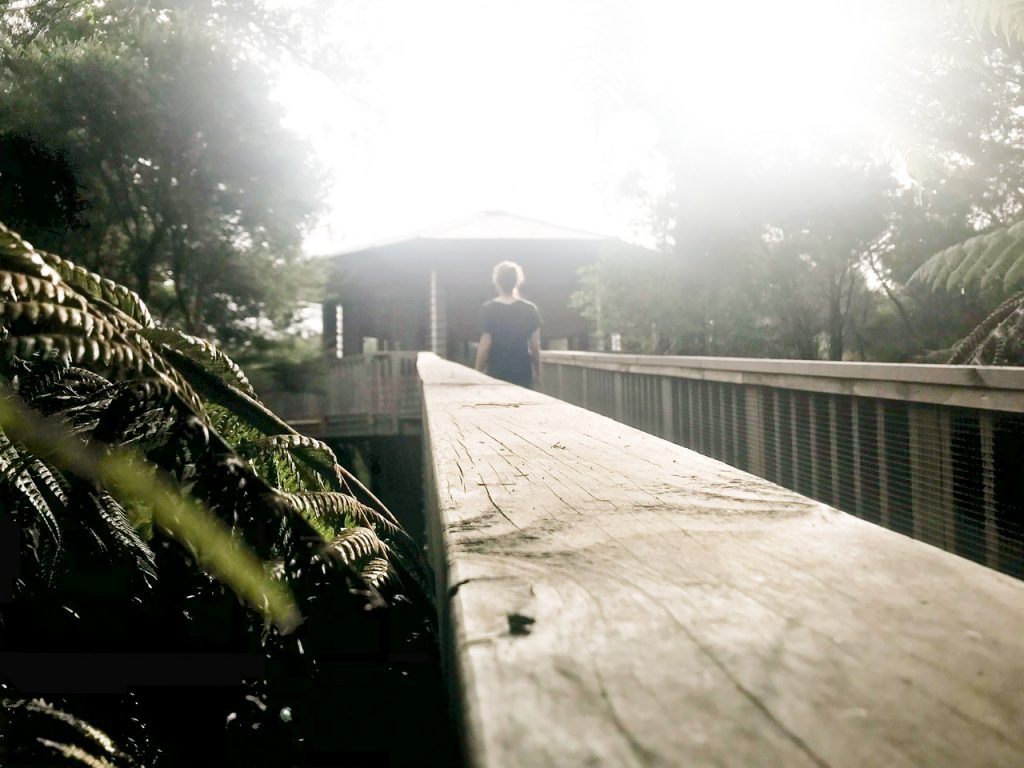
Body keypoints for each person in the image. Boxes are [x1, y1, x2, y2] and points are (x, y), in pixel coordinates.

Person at [474, 261, 542, 388]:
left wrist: (477, 372)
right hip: (522, 373)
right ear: (517, 281)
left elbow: (485, 345)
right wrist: (538, 373)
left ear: (497, 282)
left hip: (496, 373)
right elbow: (534, 346)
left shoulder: (488, 309)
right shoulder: (530, 309)